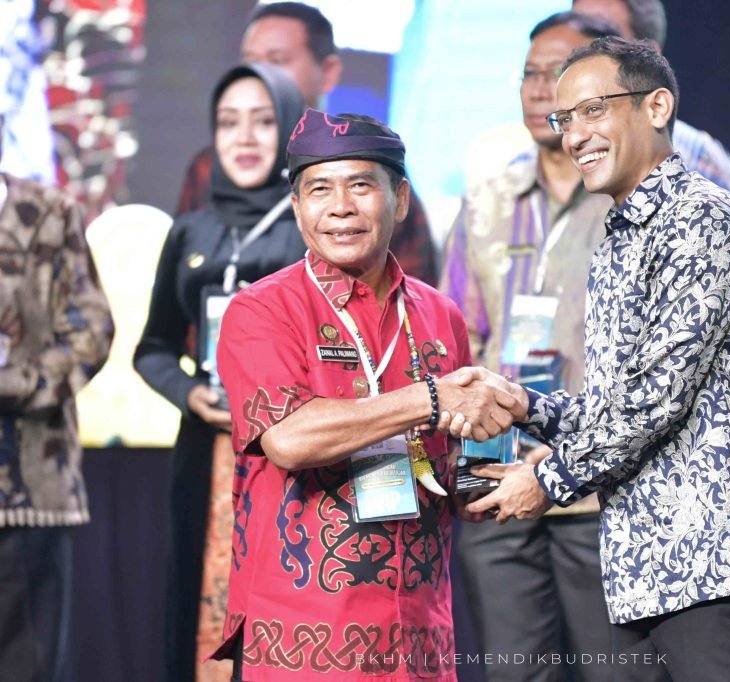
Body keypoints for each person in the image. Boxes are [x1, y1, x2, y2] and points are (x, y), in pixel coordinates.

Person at [462, 37, 730, 681]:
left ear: (656, 107)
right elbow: (618, 406)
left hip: (724, 564)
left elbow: (655, 398)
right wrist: (526, 406)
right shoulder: (622, 235)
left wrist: (547, 482)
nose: (575, 135)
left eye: (593, 110)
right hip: (646, 569)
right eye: (564, 119)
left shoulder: (702, 219)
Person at [208, 109, 525, 682]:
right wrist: (430, 399)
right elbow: (289, 439)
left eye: (360, 185)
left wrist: (516, 476)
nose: (340, 207)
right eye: (319, 190)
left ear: (399, 200)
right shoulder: (262, 310)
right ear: (297, 207)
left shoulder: (440, 315)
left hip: (420, 639)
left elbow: (452, 472)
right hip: (302, 640)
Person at [441, 12, 621, 682]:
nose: (541, 88)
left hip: (600, 491)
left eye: (559, 73)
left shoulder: (631, 200)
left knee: (617, 671)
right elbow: (455, 340)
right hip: (498, 479)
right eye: (530, 74)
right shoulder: (487, 200)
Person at [134, 63, 306, 682]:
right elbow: (153, 347)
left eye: (263, 121)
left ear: (289, 129)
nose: (245, 138)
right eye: (229, 123)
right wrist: (189, 394)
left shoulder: (312, 229)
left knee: (286, 603)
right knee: (197, 596)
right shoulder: (192, 231)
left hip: (292, 453)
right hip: (204, 449)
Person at [176, 2, 438, 284]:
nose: (261, 74)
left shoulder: (369, 161)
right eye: (251, 61)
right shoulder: (211, 167)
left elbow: (412, 289)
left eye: (277, 60)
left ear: (328, 72)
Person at [0, 112, 114, 681]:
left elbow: (92, 332)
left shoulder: (49, 212)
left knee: (29, 666)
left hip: (30, 489)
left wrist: (17, 382)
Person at [463, 0, 730, 201]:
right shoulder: (502, 182)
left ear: (649, 56)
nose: (583, 57)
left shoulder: (697, 162)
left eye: (603, 38)